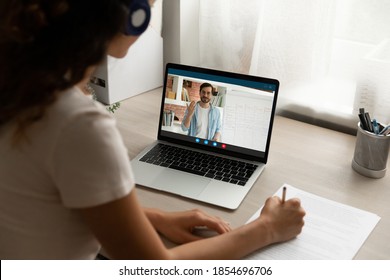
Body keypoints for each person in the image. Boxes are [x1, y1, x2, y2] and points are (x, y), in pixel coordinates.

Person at [0, 0, 305, 259]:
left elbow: (56, 200)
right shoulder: (78, 126)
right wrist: (267, 228)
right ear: (133, 17)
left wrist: (155, 217)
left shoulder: (19, 84)